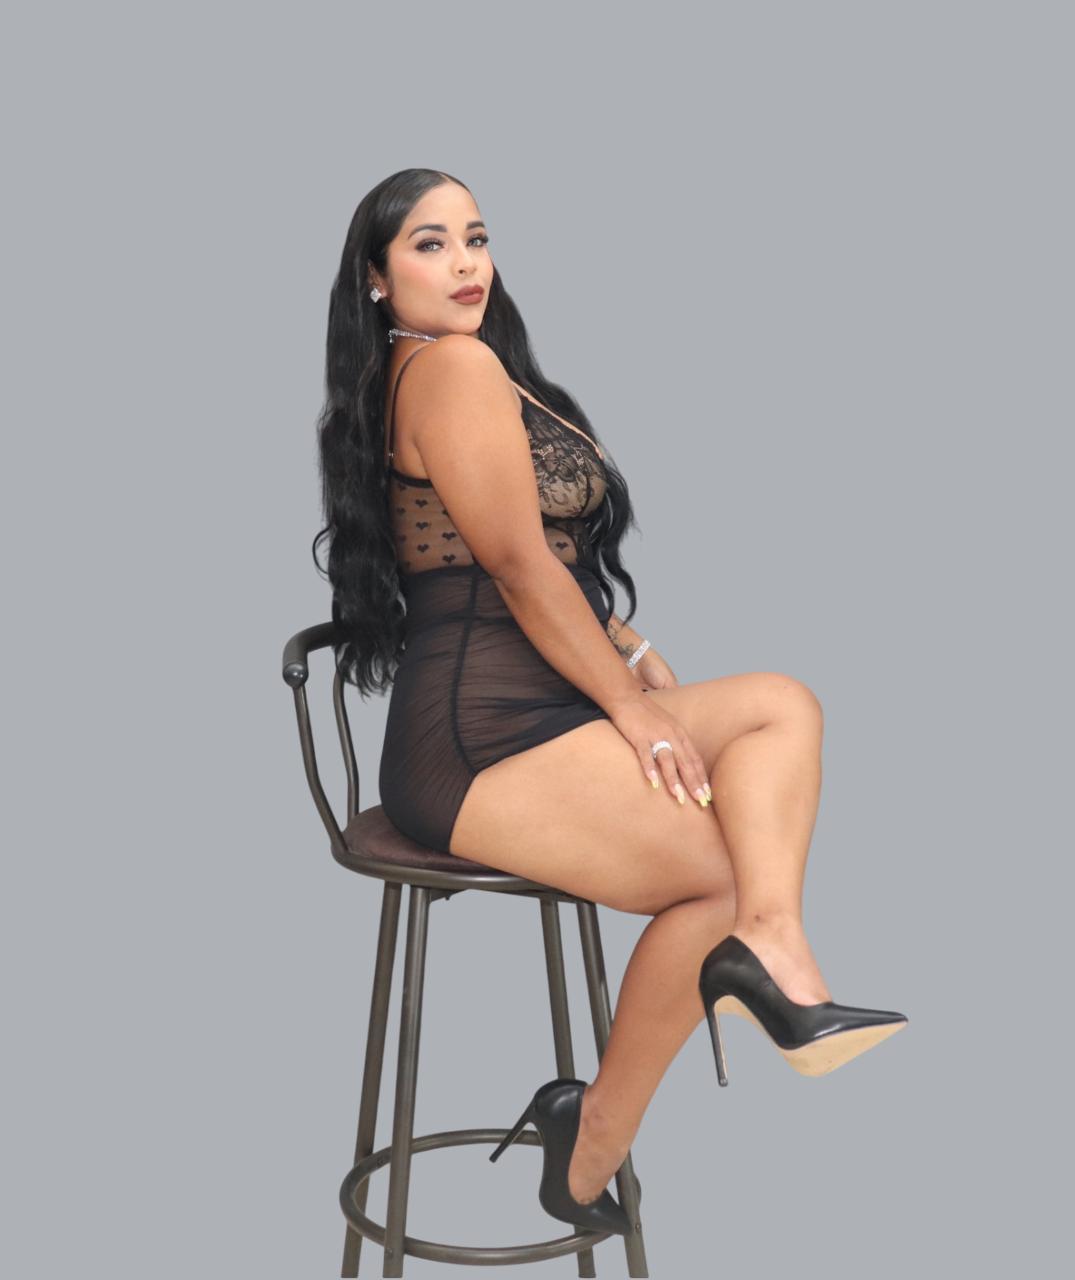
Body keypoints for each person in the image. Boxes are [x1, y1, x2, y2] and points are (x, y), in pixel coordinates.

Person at [313, 167, 908, 1238]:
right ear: (374, 278)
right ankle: (591, 1137)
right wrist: (631, 706)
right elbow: (513, 565)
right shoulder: (447, 368)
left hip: (549, 703)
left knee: (780, 706)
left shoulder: (475, 365)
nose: (465, 264)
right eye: (430, 245)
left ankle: (771, 946)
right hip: (475, 742)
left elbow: (524, 551)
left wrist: (630, 646)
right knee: (719, 868)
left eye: (476, 238)